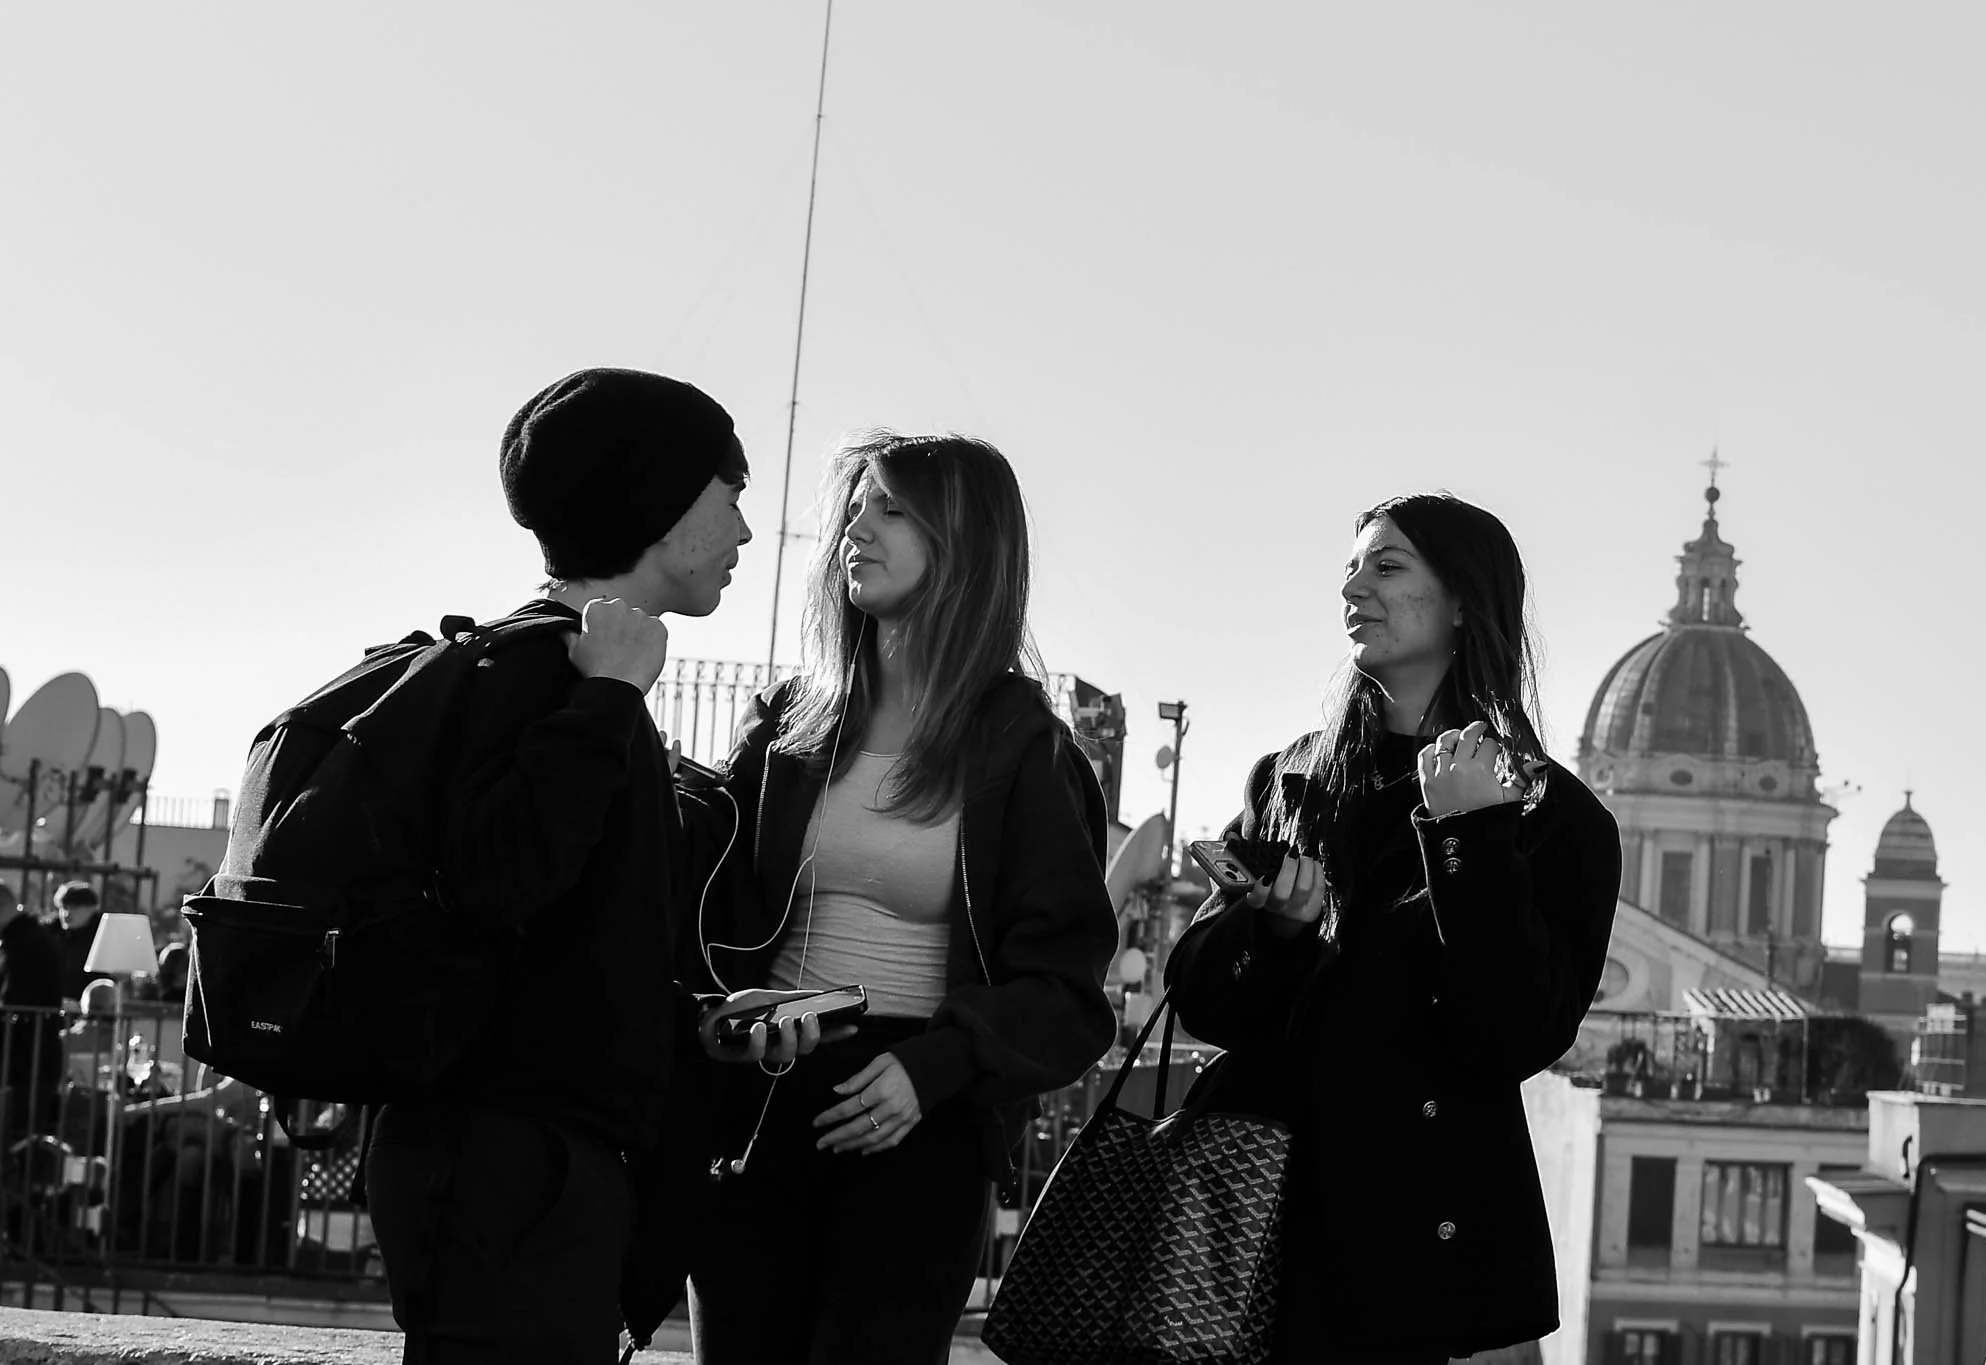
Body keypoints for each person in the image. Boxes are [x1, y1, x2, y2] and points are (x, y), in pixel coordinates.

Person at [363, 368, 834, 1365]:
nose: (748, 532)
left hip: (542, 1183)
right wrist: (607, 698)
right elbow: (501, 881)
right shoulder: (546, 672)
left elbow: (573, 944)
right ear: (657, 497)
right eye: (733, 490)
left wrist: (698, 1034)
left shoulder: (588, 674)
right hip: (503, 1175)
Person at [684, 432, 1120, 1365]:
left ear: (965, 544)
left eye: (890, 509)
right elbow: (706, 922)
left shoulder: (1026, 751)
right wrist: (728, 1012)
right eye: (855, 506)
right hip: (761, 1100)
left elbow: (1069, 994)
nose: (855, 529)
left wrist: (940, 1065)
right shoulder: (785, 724)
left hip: (918, 1116)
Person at [1164, 492, 1622, 1362]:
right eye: (1352, 565)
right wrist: (1278, 935)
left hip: (1426, 1240)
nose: (1353, 588)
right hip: (1260, 1225)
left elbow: (1513, 1032)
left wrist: (1472, 838)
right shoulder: (1290, 777)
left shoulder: (1553, 817)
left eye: (1387, 565)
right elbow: (1199, 999)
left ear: (1461, 602)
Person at [0, 882, 65, 1137]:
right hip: (30, 1056)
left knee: (16, 1135)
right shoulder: (26, 938)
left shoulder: (25, 943)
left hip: (25, 1059)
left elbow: (15, 1000)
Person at [50, 880, 103, 1002]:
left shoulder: (102, 936)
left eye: (73, 908)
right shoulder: (51, 934)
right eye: (63, 907)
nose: (66, 914)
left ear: (91, 909)